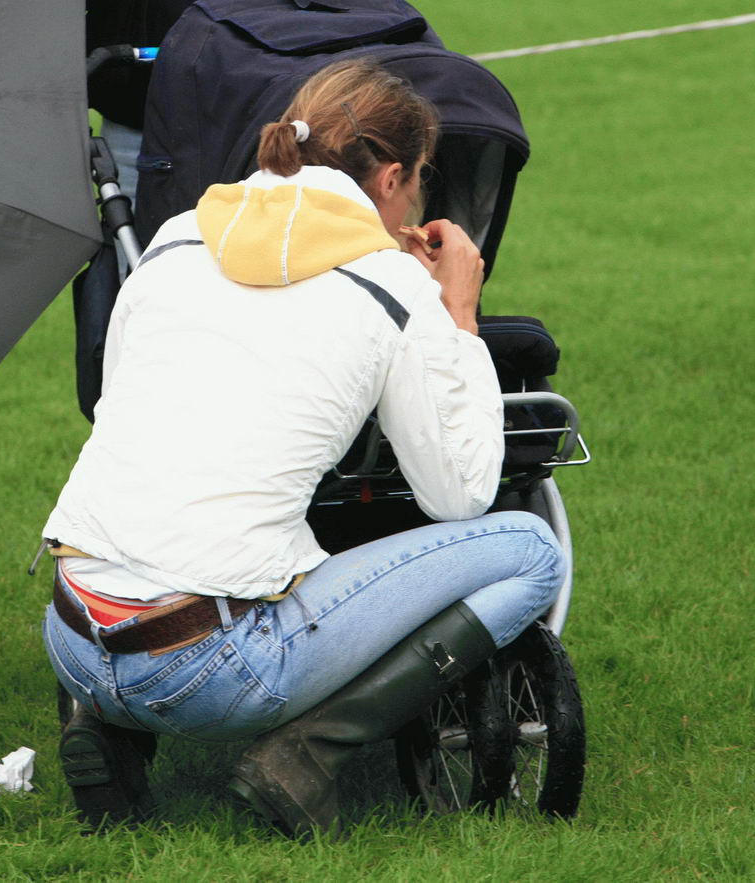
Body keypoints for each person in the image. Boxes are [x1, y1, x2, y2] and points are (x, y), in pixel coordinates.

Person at [42, 59, 566, 837]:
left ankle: (105, 724)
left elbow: (123, 401)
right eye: (421, 179)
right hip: (209, 667)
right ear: (391, 178)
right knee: (531, 549)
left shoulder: (175, 238)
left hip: (72, 632)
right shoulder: (394, 282)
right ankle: (309, 755)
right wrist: (458, 309)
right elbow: (457, 493)